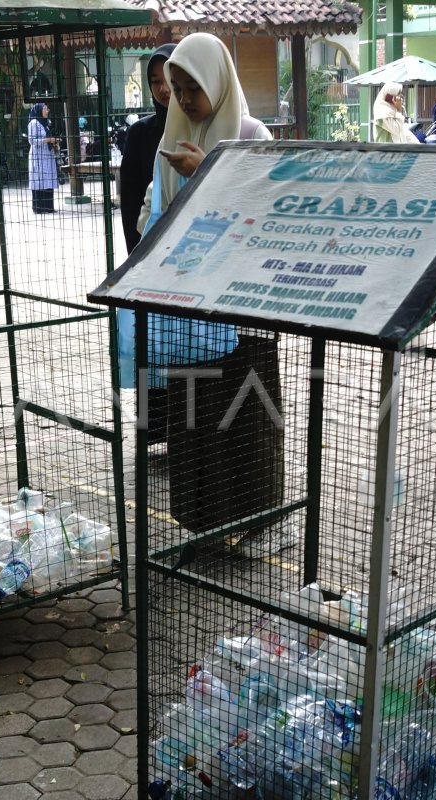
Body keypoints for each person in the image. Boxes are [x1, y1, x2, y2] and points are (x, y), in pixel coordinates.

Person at [135, 32, 291, 559]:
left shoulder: (251, 133)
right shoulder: (174, 135)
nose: (181, 99)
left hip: (242, 311)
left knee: (248, 417)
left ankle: (264, 521)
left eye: (190, 88)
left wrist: (204, 173)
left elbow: (265, 212)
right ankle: (202, 524)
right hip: (188, 314)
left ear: (218, 82)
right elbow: (152, 213)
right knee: (194, 421)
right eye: (174, 88)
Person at [120, 43, 176, 252]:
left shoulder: (200, 129)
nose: (163, 89)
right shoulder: (140, 133)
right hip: (149, 240)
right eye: (155, 81)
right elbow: (131, 202)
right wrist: (135, 252)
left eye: (170, 80)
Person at [27, 103, 59, 213]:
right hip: (38, 156)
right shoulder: (34, 123)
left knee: (48, 179)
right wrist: (48, 140)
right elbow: (31, 140)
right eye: (45, 109)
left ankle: (48, 207)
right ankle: (39, 208)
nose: (47, 111)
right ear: (39, 110)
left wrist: (54, 142)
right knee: (39, 179)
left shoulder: (45, 123)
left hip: (47, 155)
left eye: (47, 109)